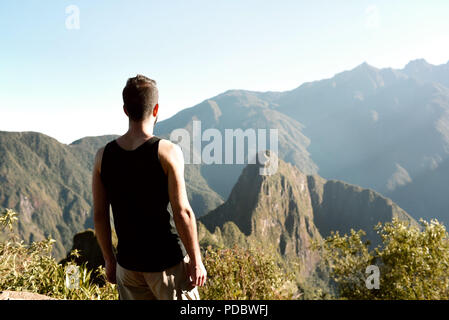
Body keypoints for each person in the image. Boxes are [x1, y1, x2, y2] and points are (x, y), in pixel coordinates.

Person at [92, 74, 206, 300]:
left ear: (125, 110)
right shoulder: (168, 152)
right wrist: (196, 260)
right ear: (156, 110)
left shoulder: (103, 156)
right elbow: (182, 212)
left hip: (128, 267)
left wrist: (109, 260)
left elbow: (99, 215)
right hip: (166, 265)